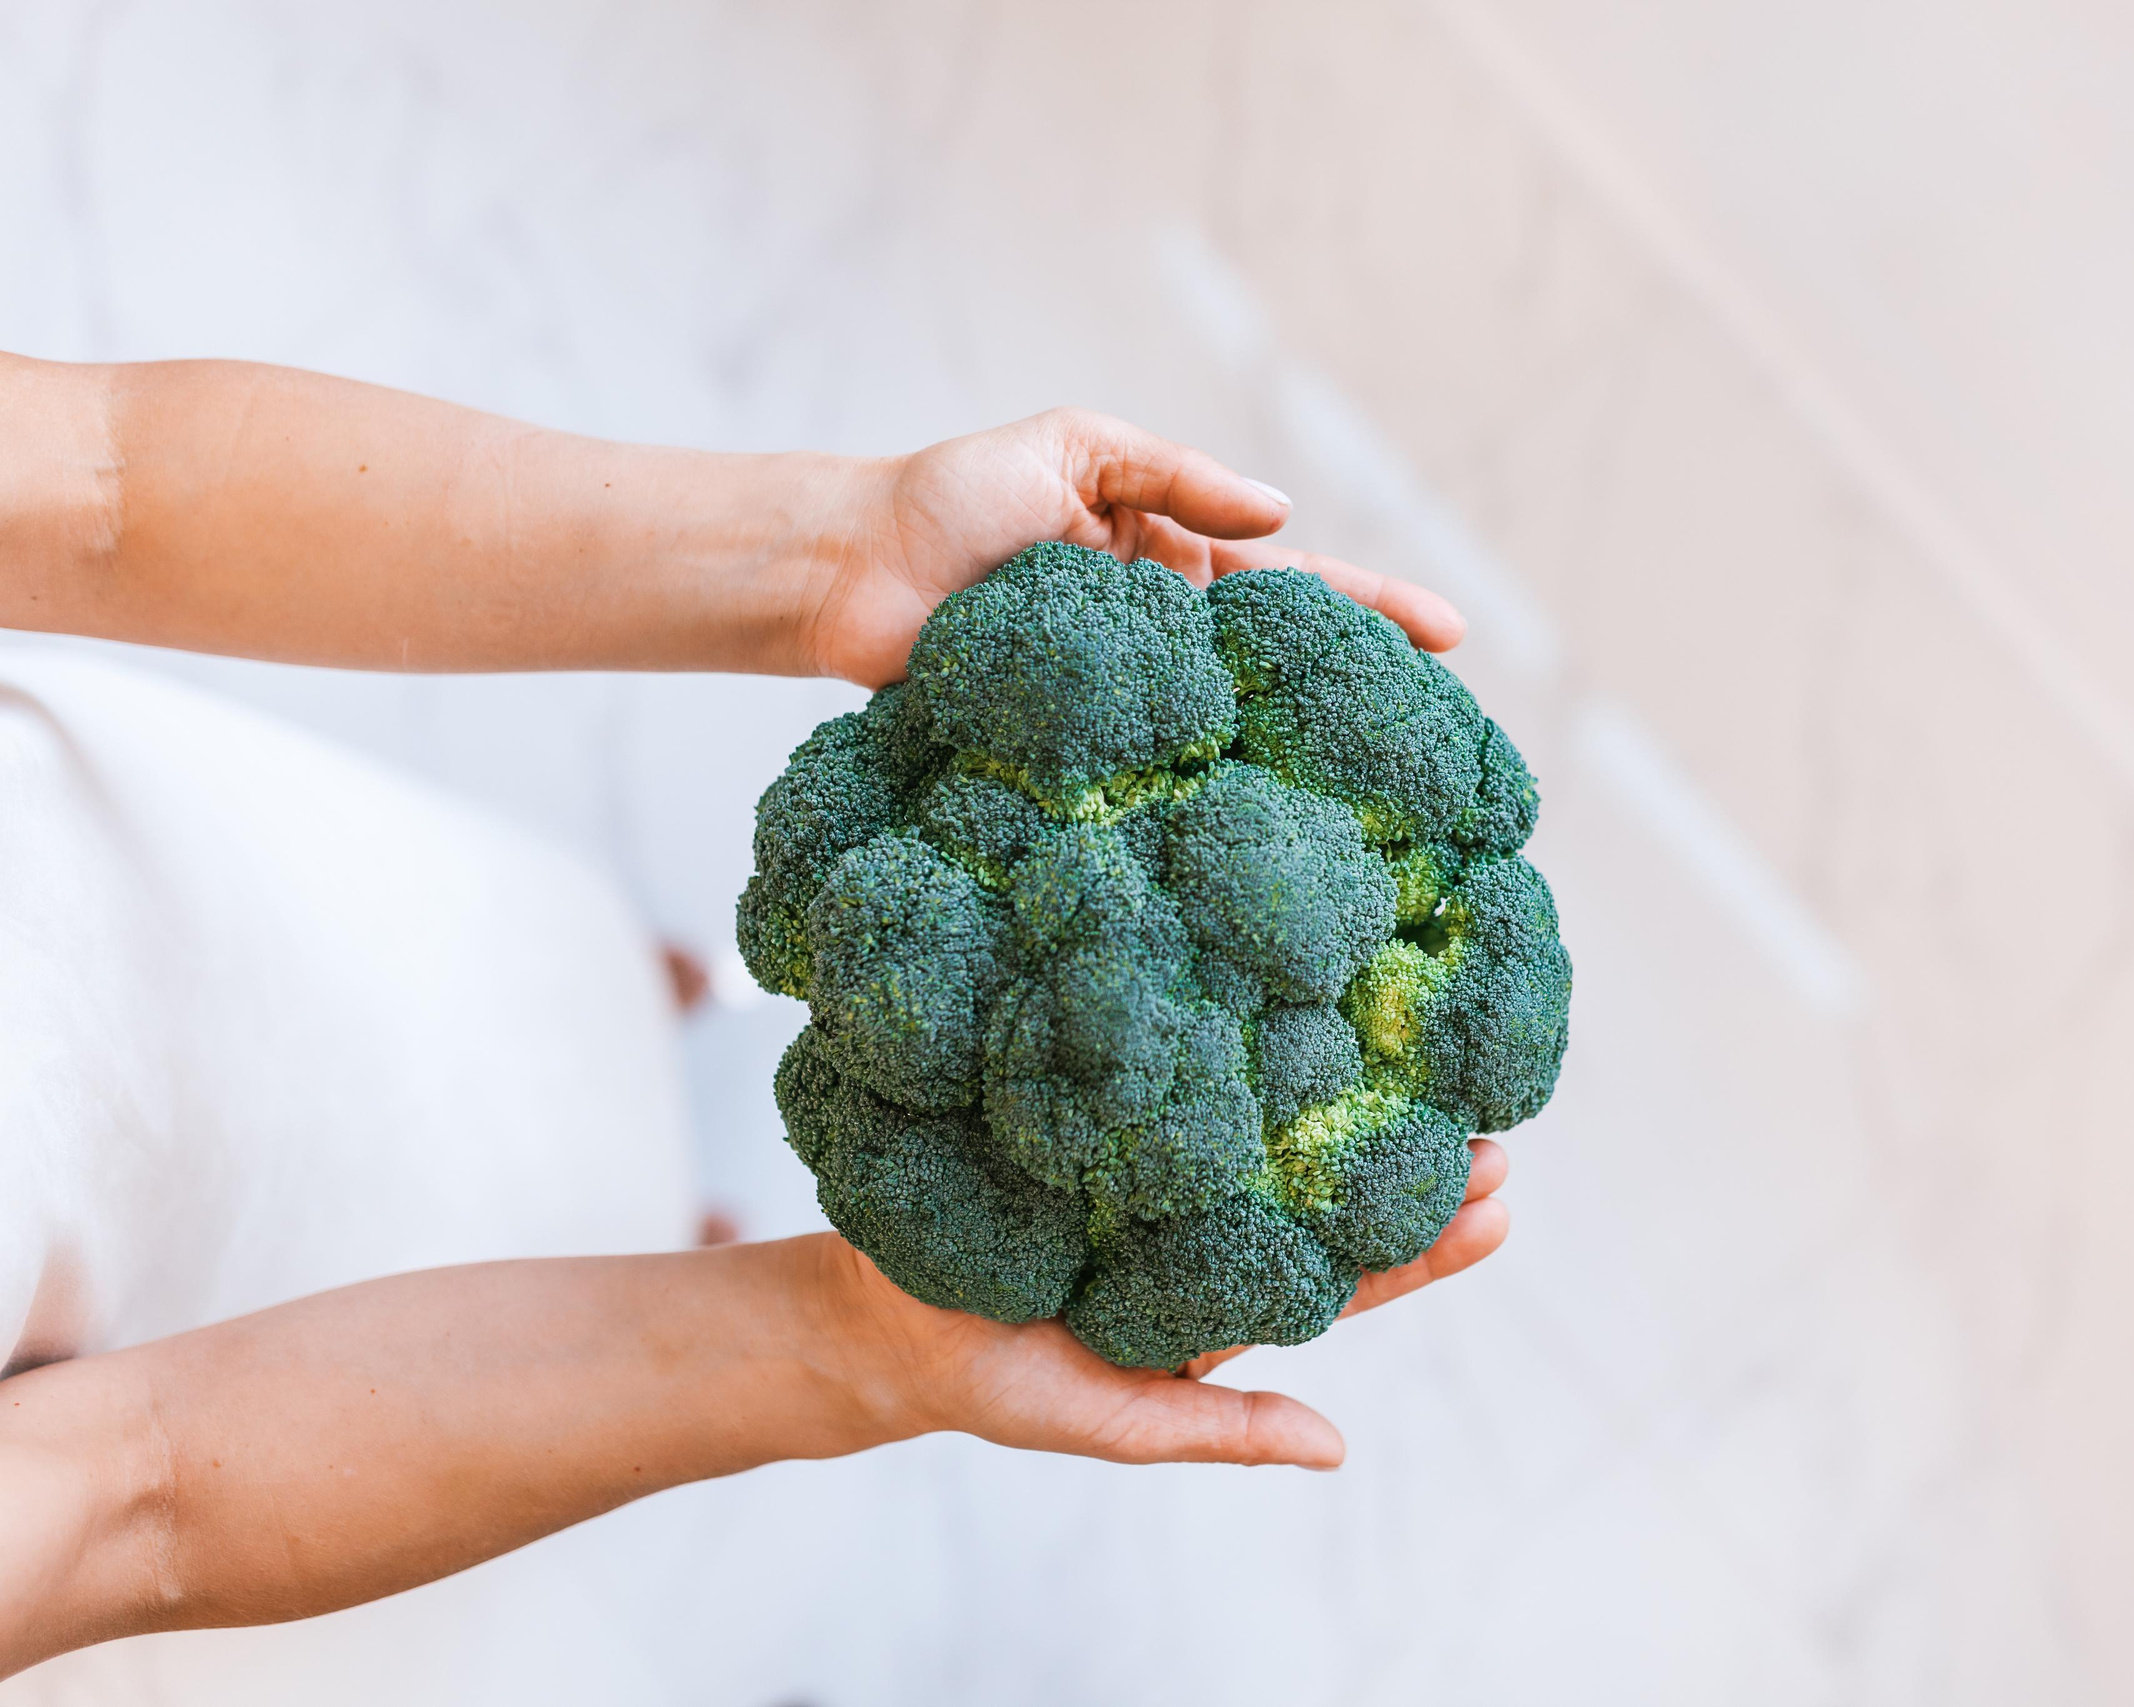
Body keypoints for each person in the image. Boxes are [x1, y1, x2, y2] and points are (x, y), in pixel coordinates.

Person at [0, 353, 1508, 1681]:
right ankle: (637, 1161)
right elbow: (145, 1492)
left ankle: (602, 1012)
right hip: (220, 1391)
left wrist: (826, 559)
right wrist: (832, 1340)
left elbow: (96, 477)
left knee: (486, 963)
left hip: (137, 858)